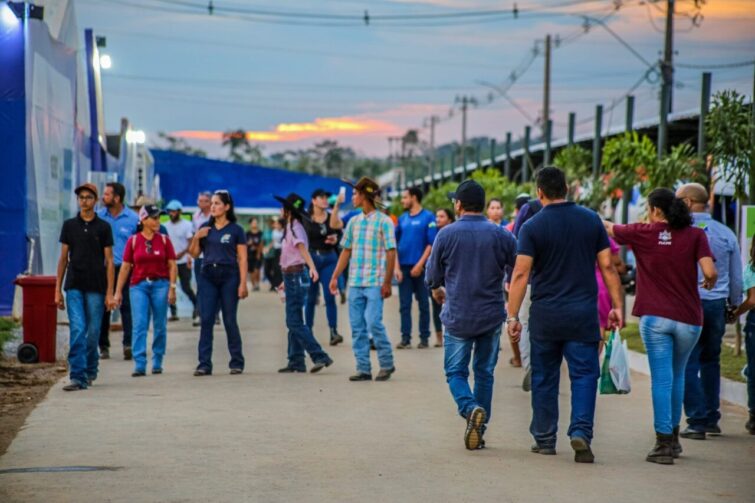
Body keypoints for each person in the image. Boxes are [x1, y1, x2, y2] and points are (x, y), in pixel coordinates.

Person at [507, 167, 623, 464]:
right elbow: (608, 267)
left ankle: (544, 439)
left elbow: (520, 273)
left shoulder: (532, 227)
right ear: (567, 189)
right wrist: (617, 306)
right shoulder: (590, 220)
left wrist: (512, 317)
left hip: (546, 314)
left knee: (544, 376)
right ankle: (581, 431)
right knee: (584, 374)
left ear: (539, 192)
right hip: (583, 314)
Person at [605, 187, 716, 465]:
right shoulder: (696, 235)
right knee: (678, 375)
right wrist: (710, 281)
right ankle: (675, 438)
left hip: (655, 319)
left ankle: (664, 442)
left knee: (662, 379)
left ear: (654, 210)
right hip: (689, 319)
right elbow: (710, 271)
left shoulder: (643, 231)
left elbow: (608, 227)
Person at [426, 180, 517, 450]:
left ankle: (469, 409)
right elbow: (520, 268)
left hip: (458, 316)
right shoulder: (502, 235)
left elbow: (432, 277)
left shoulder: (446, 234)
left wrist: (438, 290)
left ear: (459, 205)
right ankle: (480, 427)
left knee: (455, 372)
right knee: (485, 373)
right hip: (491, 315)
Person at [676, 184, 742, 440]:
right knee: (711, 359)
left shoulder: (683, 232)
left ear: (689, 203)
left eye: (678, 199)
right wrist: (734, 304)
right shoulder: (726, 233)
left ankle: (697, 420)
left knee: (688, 361)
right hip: (716, 305)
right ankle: (712, 417)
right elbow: (736, 277)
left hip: (690, 303)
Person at [329, 177, 397, 382]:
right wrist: (334, 277)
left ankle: (386, 363)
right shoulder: (353, 222)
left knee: (373, 322)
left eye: (355, 194)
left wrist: (387, 282)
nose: (353, 197)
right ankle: (363, 368)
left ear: (365, 196)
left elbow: (391, 252)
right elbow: (345, 251)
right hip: (355, 282)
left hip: (375, 282)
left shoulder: (384, 221)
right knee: (357, 327)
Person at [55, 183, 115, 391]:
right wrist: (57, 290)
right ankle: (77, 376)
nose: (84, 201)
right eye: (81, 197)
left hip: (97, 287)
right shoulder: (69, 226)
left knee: (93, 333)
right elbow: (63, 259)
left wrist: (110, 292)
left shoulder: (104, 227)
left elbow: (109, 261)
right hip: (74, 285)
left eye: (89, 197)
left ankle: (91, 368)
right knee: (78, 329)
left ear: (96, 200)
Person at [188, 190, 248, 376]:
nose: (212, 206)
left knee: (229, 320)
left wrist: (243, 284)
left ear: (227, 207)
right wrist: (197, 237)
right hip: (207, 275)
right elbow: (194, 254)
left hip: (230, 275)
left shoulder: (236, 230)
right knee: (206, 319)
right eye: (211, 203)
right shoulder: (205, 228)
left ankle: (236, 362)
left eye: (217, 203)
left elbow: (243, 259)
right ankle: (204, 364)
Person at [115, 205, 177, 377]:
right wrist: (118, 291)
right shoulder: (133, 241)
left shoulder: (164, 240)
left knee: (159, 325)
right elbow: (126, 267)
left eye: (159, 218)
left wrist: (172, 288)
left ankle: (157, 360)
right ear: (143, 219)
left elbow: (172, 265)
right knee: (140, 324)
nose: (158, 221)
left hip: (160, 285)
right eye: (154, 218)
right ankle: (140, 362)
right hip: (139, 286)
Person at [275, 193, 334, 374]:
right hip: (290, 276)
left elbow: (303, 250)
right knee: (296, 320)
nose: (280, 210)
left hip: (296, 275)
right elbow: (288, 255)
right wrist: (284, 279)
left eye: (282, 207)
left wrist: (312, 268)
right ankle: (296, 360)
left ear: (288, 211)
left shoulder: (296, 228)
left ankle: (319, 355)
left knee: (293, 321)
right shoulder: (290, 227)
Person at [97, 182, 139, 360]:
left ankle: (128, 344)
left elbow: (138, 245)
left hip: (125, 268)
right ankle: (103, 346)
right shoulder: (98, 217)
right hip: (103, 269)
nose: (103, 197)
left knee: (127, 307)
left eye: (107, 194)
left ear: (117, 198)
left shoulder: (133, 219)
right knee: (102, 308)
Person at [395, 187, 437, 349]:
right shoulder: (402, 219)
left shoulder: (428, 217)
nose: (402, 201)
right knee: (404, 305)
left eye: (405, 197)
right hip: (404, 268)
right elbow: (394, 245)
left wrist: (420, 264)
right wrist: (396, 268)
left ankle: (424, 338)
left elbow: (431, 244)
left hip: (421, 269)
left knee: (423, 305)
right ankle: (405, 338)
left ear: (414, 197)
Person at [304, 188, 345, 346]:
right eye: (321, 197)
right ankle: (308, 331)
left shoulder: (331, 217)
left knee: (330, 296)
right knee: (310, 298)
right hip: (312, 259)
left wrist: (336, 240)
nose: (325, 200)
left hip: (329, 258)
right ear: (313, 200)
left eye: (326, 197)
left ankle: (333, 332)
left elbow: (341, 233)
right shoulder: (306, 219)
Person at [731, 235, 755, 434]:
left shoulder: (751, 269)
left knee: (754, 372)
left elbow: (752, 300)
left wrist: (735, 313)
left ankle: (754, 416)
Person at [164, 200, 198, 323]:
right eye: (169, 211)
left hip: (183, 261)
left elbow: (191, 243)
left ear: (179, 211)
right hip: (169, 262)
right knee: (168, 287)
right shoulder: (165, 226)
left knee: (185, 287)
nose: (171, 213)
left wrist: (182, 253)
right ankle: (173, 312)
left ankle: (197, 307)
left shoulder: (187, 225)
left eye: (173, 211)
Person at [431, 208, 455, 347]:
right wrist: (434, 285)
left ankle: (450, 337)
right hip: (439, 278)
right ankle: (439, 338)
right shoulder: (435, 234)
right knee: (437, 308)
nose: (438, 219)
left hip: (452, 279)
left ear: (450, 219)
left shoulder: (451, 234)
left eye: (441, 216)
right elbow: (433, 261)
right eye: (437, 216)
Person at [192, 191, 213, 327]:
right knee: (200, 286)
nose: (202, 203)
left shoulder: (215, 215)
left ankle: (215, 313)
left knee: (213, 287)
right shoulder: (195, 217)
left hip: (213, 256)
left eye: (205, 201)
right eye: (200, 201)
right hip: (199, 256)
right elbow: (194, 237)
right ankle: (199, 313)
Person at [263, 217, 284, 291]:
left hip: (283, 250)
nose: (276, 225)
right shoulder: (274, 231)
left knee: (280, 268)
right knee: (276, 268)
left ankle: (279, 284)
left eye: (277, 224)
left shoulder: (284, 231)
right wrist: (267, 248)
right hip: (276, 251)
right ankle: (276, 284)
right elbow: (273, 241)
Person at [246, 217, 264, 292]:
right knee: (251, 271)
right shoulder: (247, 233)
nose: (255, 224)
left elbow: (262, 243)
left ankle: (257, 284)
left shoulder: (260, 233)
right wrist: (248, 243)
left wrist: (259, 252)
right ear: (250, 224)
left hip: (258, 254)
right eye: (253, 223)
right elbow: (243, 244)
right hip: (249, 254)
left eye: (256, 223)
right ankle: (253, 285)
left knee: (257, 269)